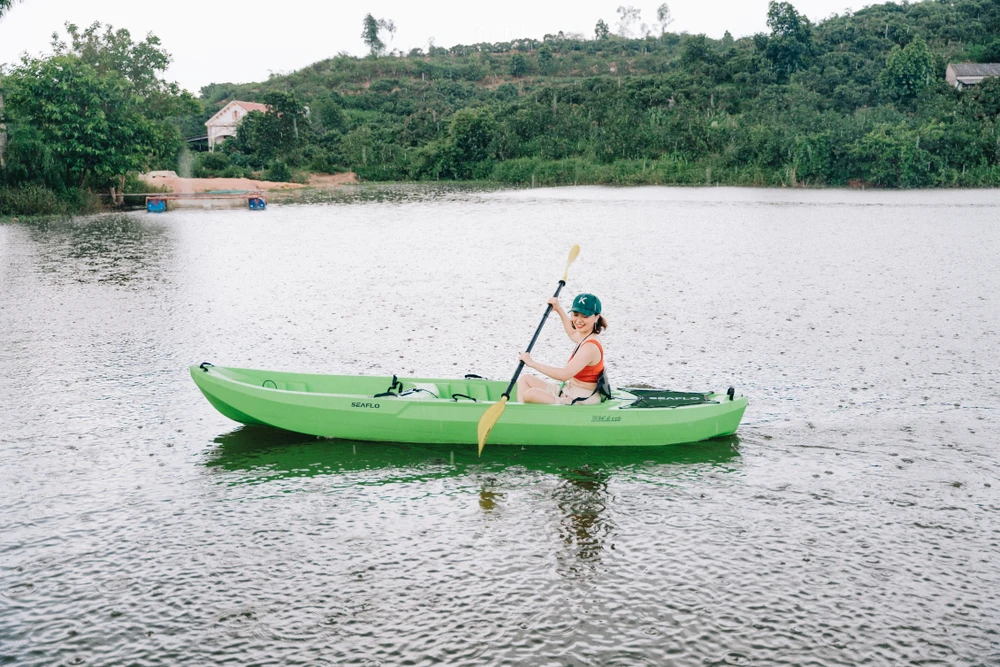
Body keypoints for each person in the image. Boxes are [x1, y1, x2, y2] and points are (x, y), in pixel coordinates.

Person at [516, 293, 608, 405]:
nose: (579, 320)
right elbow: (572, 332)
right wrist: (558, 308)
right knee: (525, 379)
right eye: (576, 314)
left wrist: (532, 363)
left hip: (581, 399)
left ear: (596, 317)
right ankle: (522, 415)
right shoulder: (585, 335)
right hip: (569, 390)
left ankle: (523, 417)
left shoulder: (590, 346)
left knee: (530, 394)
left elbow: (564, 375)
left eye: (585, 316)